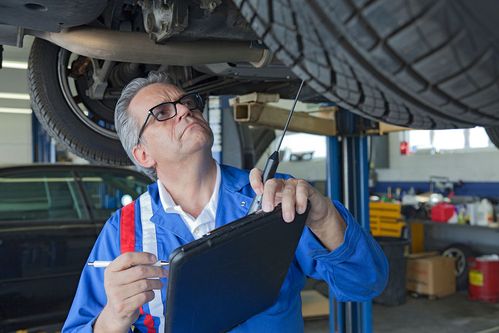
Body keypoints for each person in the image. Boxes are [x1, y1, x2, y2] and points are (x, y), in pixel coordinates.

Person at [63, 72, 388, 332]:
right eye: (162, 112)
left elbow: (365, 285)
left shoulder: (274, 198)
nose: (185, 110)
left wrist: (325, 219)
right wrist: (111, 321)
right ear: (143, 154)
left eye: (187, 102)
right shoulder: (123, 231)